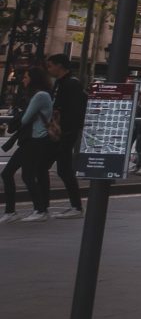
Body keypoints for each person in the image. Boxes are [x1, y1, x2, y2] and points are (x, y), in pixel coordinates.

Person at [1, 68, 56, 222]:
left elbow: (25, 119)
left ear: (33, 79)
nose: (23, 80)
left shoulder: (40, 95)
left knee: (13, 174)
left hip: (36, 140)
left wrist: (21, 113)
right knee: (26, 175)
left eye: (25, 77)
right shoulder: (39, 94)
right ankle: (36, 209)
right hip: (32, 140)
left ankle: (34, 210)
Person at [45, 53, 86, 214]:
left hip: (65, 132)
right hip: (59, 131)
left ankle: (74, 206)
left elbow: (75, 110)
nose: (49, 69)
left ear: (59, 65)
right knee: (57, 168)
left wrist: (66, 129)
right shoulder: (61, 83)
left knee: (59, 168)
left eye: (50, 65)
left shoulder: (71, 84)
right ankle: (44, 206)